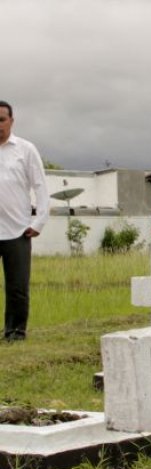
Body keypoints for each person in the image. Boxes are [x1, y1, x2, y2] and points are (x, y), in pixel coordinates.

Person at [0, 101, 49, 342]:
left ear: (11, 120)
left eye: (1, 120)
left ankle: (15, 331)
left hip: (18, 230)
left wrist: (39, 221)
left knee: (17, 287)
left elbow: (40, 186)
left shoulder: (25, 149)